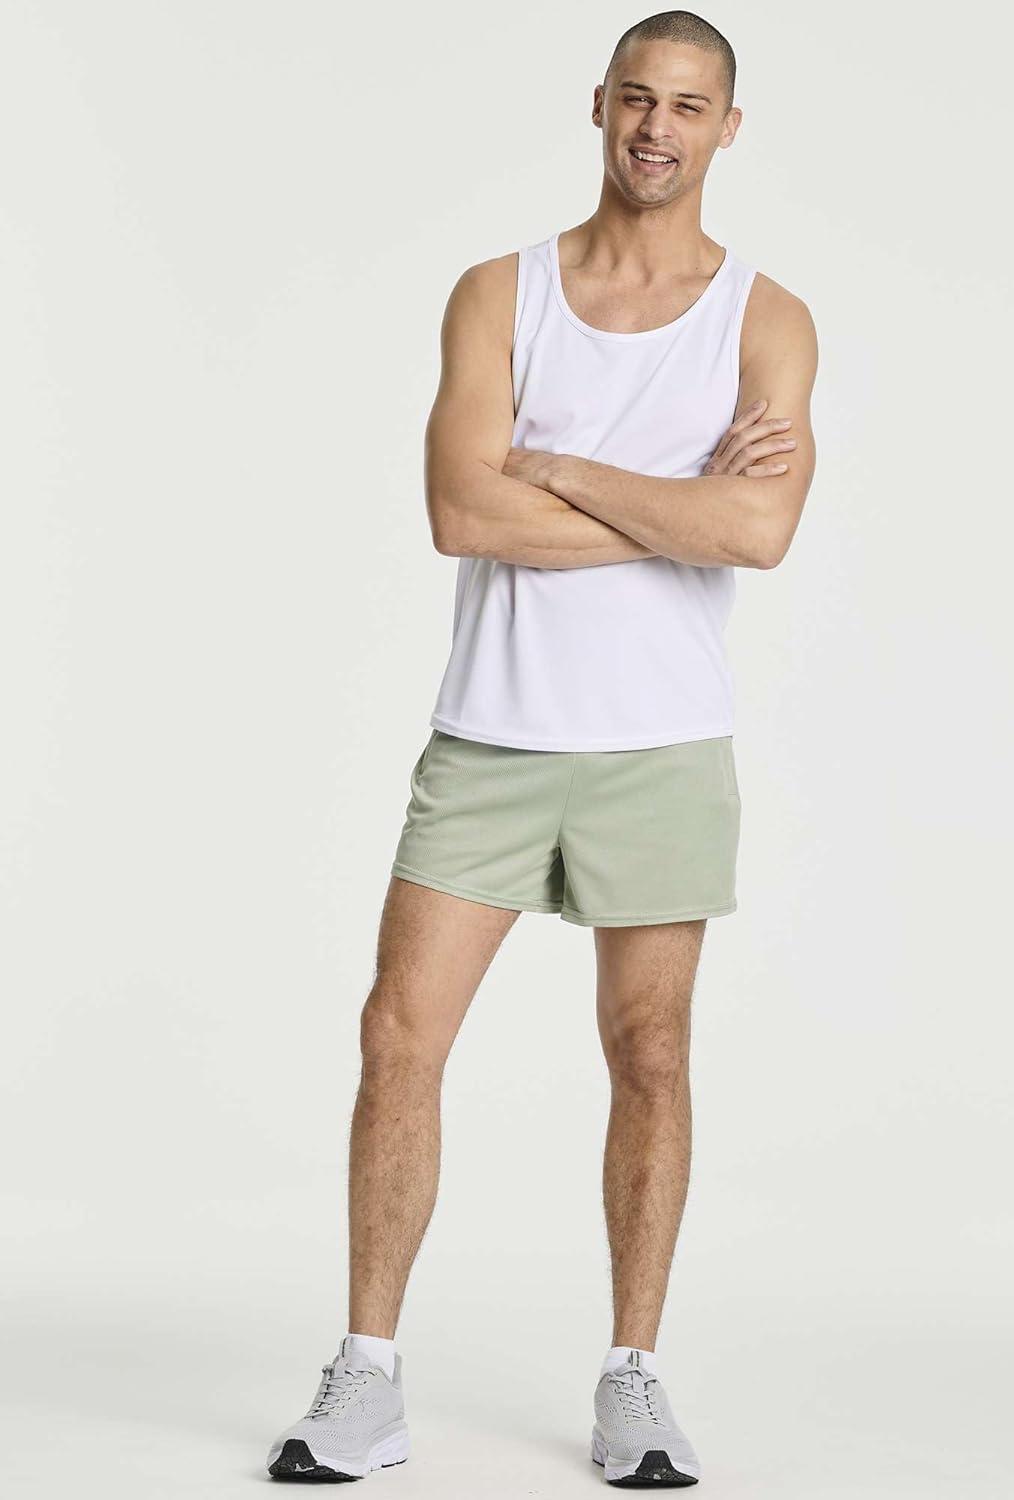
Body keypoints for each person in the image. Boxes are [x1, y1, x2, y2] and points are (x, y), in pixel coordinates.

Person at [266, 8, 817, 1487]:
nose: (657, 128)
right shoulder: (497, 294)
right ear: (598, 104)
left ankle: (634, 1380)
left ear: (726, 129)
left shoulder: (765, 318)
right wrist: (674, 507)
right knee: (399, 1036)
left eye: (688, 106)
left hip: (663, 746)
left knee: (652, 1054)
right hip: (493, 736)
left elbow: (760, 529)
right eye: (637, 97)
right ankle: (366, 1376)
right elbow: (462, 511)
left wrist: (559, 468)